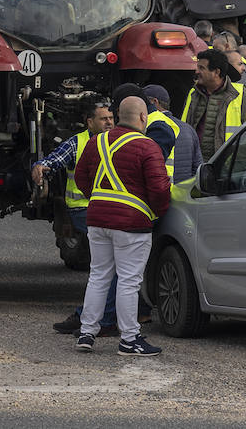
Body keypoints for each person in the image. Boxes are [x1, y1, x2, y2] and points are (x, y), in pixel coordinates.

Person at [73, 97, 171, 356]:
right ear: (142, 118)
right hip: (132, 223)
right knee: (129, 281)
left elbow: (82, 178)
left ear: (118, 116)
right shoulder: (147, 146)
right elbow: (160, 188)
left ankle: (87, 332)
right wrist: (156, 212)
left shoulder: (96, 142)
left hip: (96, 218)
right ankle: (129, 339)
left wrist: (100, 199)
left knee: (98, 275)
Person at [34, 95, 118, 336]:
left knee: (109, 267)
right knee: (109, 267)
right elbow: (52, 161)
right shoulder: (77, 143)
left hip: (105, 209)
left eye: (111, 118)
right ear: (89, 122)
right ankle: (100, 318)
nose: (109, 123)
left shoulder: (118, 140)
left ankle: (96, 317)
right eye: (103, 119)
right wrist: (39, 167)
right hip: (84, 210)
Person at [182, 48, 246, 158]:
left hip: (228, 166)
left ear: (217, 72)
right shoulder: (193, 94)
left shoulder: (240, 94)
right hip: (197, 164)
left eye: (201, 68)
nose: (196, 71)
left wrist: (240, 164)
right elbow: (184, 127)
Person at [142, 84, 202, 183]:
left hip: (159, 190)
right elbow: (198, 168)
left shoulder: (150, 128)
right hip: (184, 193)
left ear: (154, 102)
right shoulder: (188, 129)